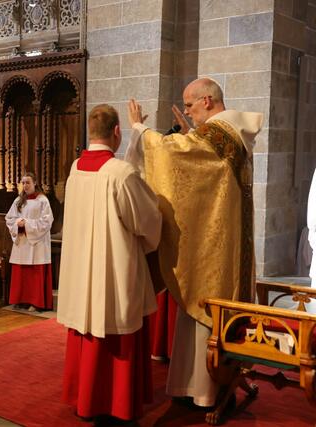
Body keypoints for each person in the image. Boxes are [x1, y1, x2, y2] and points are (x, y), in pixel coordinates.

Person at [126, 78, 263, 408]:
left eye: (189, 104)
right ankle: (202, 385)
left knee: (204, 309)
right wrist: (191, 132)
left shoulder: (219, 133)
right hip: (226, 245)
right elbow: (204, 168)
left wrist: (139, 131)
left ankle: (203, 391)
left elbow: (175, 155)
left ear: (207, 100)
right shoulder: (232, 132)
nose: (186, 111)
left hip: (212, 251)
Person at [57, 104, 162, 422]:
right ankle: (117, 404)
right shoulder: (121, 173)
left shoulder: (76, 168)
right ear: (117, 131)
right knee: (118, 326)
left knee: (87, 329)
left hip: (82, 269)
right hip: (114, 269)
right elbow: (147, 222)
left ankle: (87, 399)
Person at [5, 173, 54, 312]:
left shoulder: (42, 200)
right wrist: (17, 223)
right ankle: (21, 300)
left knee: (35, 273)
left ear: (35, 183)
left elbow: (47, 221)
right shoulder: (19, 200)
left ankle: (36, 302)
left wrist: (26, 224)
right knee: (21, 273)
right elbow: (9, 218)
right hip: (22, 242)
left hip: (37, 243)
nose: (25, 185)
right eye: (23, 183)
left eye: (28, 182)